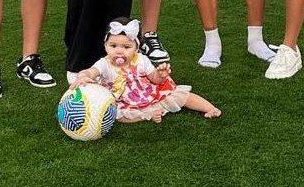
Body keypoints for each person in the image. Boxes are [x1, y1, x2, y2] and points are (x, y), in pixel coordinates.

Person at [70, 18, 220, 122]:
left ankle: (209, 108)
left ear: (136, 48)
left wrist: (161, 75)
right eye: (113, 46)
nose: (119, 51)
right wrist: (83, 76)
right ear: (105, 45)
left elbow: (154, 78)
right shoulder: (105, 63)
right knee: (120, 116)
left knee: (182, 96)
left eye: (126, 47)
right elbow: (91, 71)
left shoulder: (141, 60)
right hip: (123, 100)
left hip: (148, 93)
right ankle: (147, 115)